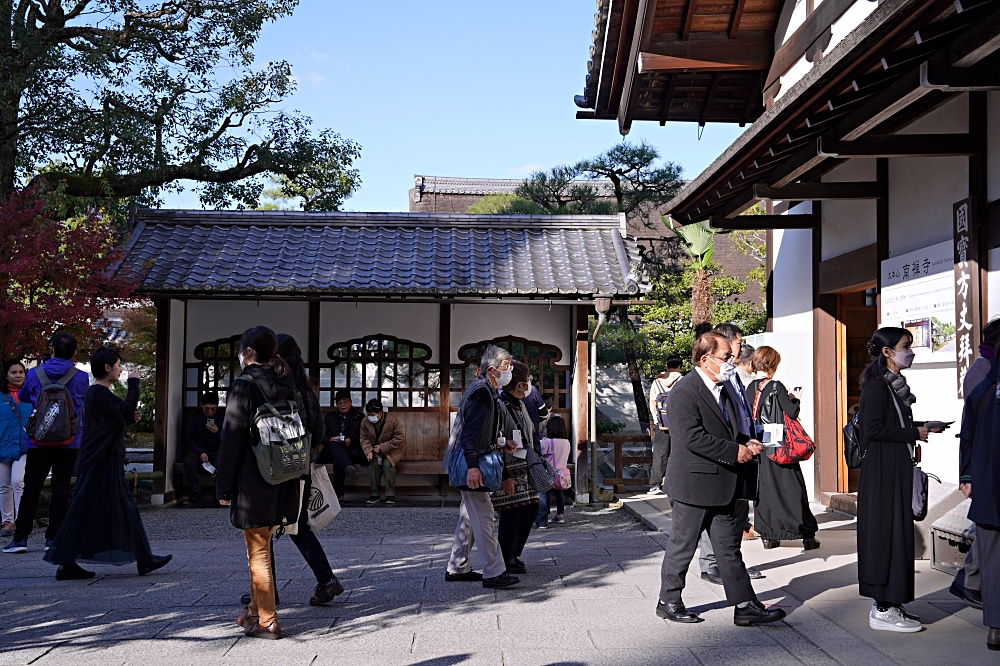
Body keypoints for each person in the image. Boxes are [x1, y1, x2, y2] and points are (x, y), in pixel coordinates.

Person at [655, 332, 783, 627]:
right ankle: (669, 601)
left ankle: (745, 605)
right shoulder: (685, 391)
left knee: (728, 549)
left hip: (724, 484)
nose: (731, 362)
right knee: (682, 546)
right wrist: (734, 450)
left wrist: (747, 442)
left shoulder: (721, 387)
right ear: (705, 359)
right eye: (726, 357)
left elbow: (727, 429)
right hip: (693, 484)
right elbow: (691, 438)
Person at [43, 347, 172, 580]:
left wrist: (127, 419)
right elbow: (123, 410)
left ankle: (143, 559)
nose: (121, 370)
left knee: (118, 509)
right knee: (89, 510)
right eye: (118, 365)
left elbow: (112, 421)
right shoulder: (98, 393)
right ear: (107, 368)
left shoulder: (97, 395)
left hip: (102, 459)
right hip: (100, 461)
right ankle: (67, 561)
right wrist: (134, 385)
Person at [857, 327, 945, 633]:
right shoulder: (878, 387)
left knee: (897, 538)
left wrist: (922, 426)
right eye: (906, 346)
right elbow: (872, 430)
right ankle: (882, 608)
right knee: (886, 537)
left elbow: (889, 424)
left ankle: (892, 604)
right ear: (887, 352)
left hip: (892, 471)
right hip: (882, 475)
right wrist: (913, 433)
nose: (911, 351)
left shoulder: (892, 387)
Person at [216, 326, 302, 640]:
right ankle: (254, 612)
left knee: (258, 552)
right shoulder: (285, 381)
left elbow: (231, 439)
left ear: (248, 353)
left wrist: (223, 487)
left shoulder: (243, 386)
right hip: (285, 475)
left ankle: (267, 621)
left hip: (254, 479)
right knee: (260, 545)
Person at [273, 334, 345, 605]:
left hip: (276, 467)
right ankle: (326, 579)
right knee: (299, 525)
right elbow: (320, 432)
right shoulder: (307, 389)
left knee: (265, 527)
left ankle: (265, 590)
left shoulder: (277, 387)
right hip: (301, 465)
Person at [4, 333, 88, 554]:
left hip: (37, 441)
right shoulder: (80, 377)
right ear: (73, 354)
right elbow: (80, 402)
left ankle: (21, 538)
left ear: (51, 350)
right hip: (69, 441)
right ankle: (53, 538)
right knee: (61, 489)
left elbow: (22, 397)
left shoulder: (33, 374)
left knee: (31, 488)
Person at [445, 344, 519, 589]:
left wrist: (501, 443)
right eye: (506, 368)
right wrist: (473, 467)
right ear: (491, 370)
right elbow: (470, 434)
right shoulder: (482, 392)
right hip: (472, 463)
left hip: (471, 459)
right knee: (484, 517)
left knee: (469, 516)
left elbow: (478, 431)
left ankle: (457, 566)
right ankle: (494, 571)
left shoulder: (484, 389)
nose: (509, 372)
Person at [746, 346, 820, 551]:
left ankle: (769, 536)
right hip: (779, 447)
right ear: (773, 365)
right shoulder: (776, 386)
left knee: (764, 491)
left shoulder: (748, 388)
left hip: (758, 446)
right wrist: (795, 398)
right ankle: (806, 535)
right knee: (793, 488)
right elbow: (792, 412)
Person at [950, 317, 1000, 610]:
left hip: (983, 465)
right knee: (988, 533)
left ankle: (969, 581)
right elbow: (973, 426)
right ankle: (970, 581)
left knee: (987, 533)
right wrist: (967, 474)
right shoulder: (985, 372)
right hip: (987, 463)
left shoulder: (982, 368)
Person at [958, 344, 1000, 651]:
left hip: (987, 488)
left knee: (992, 560)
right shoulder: (984, 381)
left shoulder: (983, 385)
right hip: (986, 486)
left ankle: (995, 628)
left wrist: (968, 477)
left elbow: (968, 435)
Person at [715, 323, 760, 543]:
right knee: (722, 514)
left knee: (739, 510)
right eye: (738, 342)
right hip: (729, 450)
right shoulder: (717, 378)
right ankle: (713, 564)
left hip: (744, 446)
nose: (741, 348)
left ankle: (732, 565)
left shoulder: (733, 374)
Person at [493, 361, 539, 574]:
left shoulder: (519, 404)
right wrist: (504, 475)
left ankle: (514, 553)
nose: (529, 384)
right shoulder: (501, 405)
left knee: (530, 508)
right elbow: (496, 439)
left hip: (524, 465)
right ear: (519, 384)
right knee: (511, 512)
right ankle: (506, 557)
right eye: (527, 381)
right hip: (509, 467)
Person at [0, 361, 30, 538]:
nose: (18, 375)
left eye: (21, 372)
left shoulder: (31, 395)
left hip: (24, 446)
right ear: (6, 375)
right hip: (2, 445)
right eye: (14, 372)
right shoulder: (1, 397)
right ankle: (7, 522)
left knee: (18, 482)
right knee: (3, 486)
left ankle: (22, 522)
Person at [647, 354, 683, 495]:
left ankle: (655, 485)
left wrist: (657, 419)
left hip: (661, 423)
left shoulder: (657, 382)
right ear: (679, 366)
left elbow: (652, 403)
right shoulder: (683, 380)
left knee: (659, 454)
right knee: (679, 453)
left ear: (666, 366)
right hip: (679, 424)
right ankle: (677, 484)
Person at [180, 392, 224, 506]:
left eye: (213, 409)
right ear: (201, 405)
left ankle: (218, 495)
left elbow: (228, 439)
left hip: (215, 450)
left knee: (223, 464)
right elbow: (189, 439)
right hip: (198, 450)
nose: (210, 412)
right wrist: (200, 452)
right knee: (189, 463)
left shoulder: (221, 418)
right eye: (207, 409)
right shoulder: (195, 418)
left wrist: (217, 432)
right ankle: (196, 495)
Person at [319, 389, 364, 500]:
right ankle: (348, 466)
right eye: (339, 403)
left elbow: (365, 437)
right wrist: (330, 439)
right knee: (334, 446)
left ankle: (339, 495)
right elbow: (321, 437)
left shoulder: (359, 417)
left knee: (338, 461)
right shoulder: (330, 417)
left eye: (345, 402)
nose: (342, 405)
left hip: (351, 451)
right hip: (331, 450)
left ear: (350, 402)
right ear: (336, 404)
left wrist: (351, 441)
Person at [360, 400, 405, 506]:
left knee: (387, 464)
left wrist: (383, 447)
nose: (370, 417)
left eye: (372, 414)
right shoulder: (365, 421)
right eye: (368, 414)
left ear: (380, 413)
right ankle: (374, 494)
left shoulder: (392, 420)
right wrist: (368, 451)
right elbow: (363, 438)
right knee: (373, 465)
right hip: (375, 450)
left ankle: (390, 494)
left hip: (393, 450)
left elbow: (399, 439)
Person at [537, 414, 571, 528]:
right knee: (559, 493)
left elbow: (540, 454)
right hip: (562, 472)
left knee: (547, 494)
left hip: (549, 471)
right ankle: (560, 514)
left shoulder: (548, 442)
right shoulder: (566, 442)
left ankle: (546, 515)